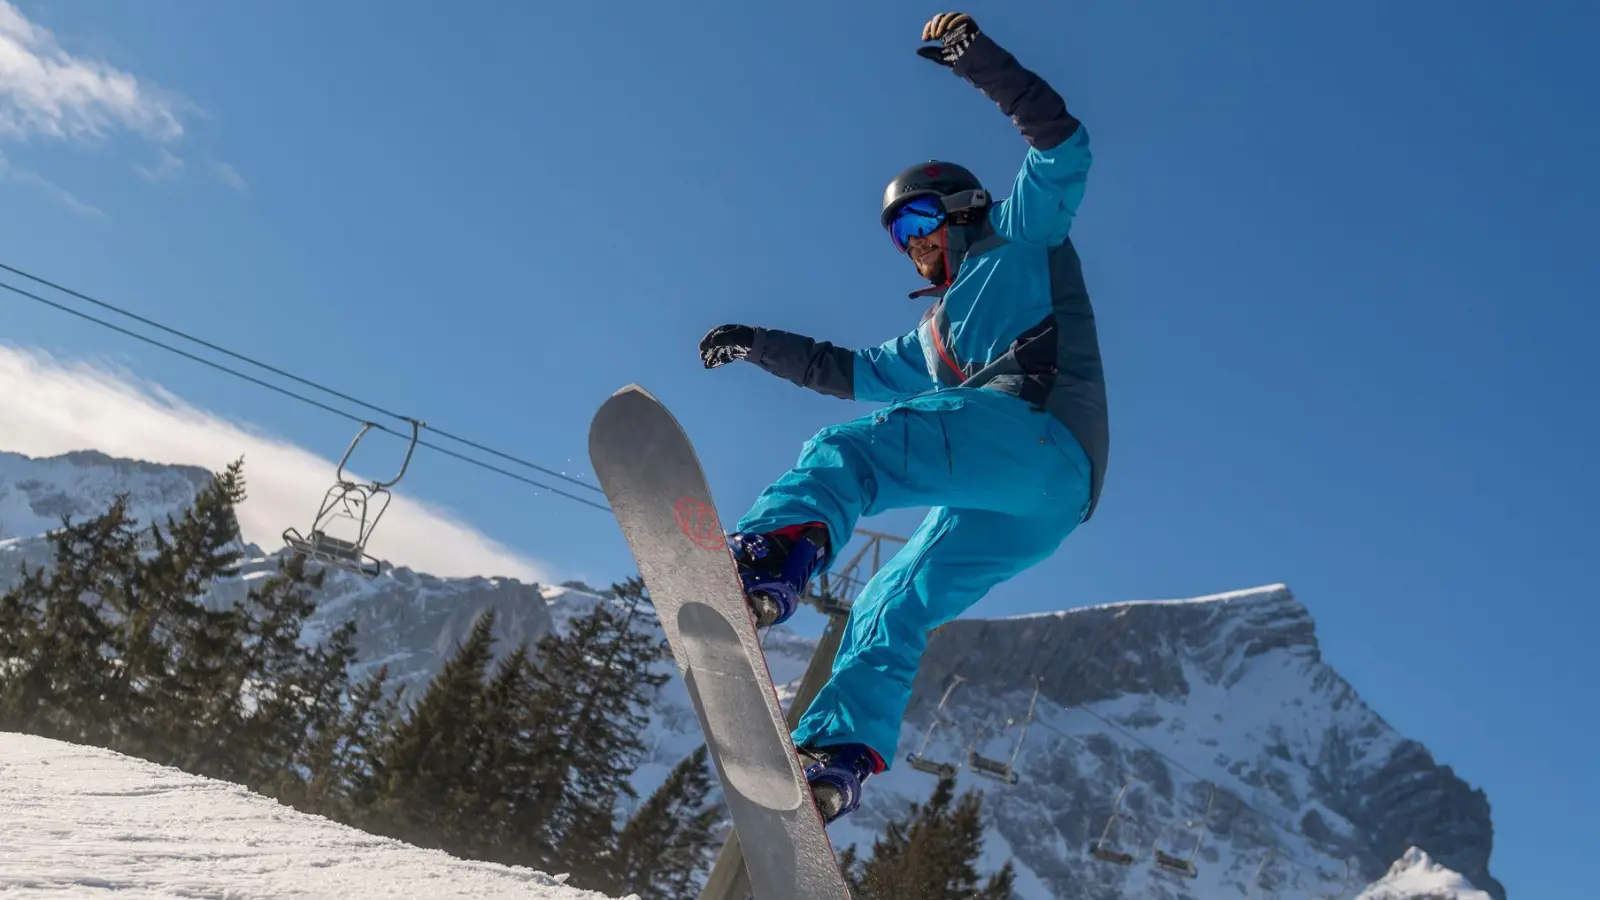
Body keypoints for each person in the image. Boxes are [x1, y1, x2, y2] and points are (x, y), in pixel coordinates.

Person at [698, 11, 1108, 823]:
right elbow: (843, 370)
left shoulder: (1019, 236)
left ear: (961, 211)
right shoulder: (934, 339)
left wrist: (977, 60)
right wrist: (755, 344)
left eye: (920, 222)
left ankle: (777, 553)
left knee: (858, 452)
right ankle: (839, 755)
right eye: (898, 236)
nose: (913, 245)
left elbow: (1062, 145)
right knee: (895, 598)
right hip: (1039, 504)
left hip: (1038, 434)